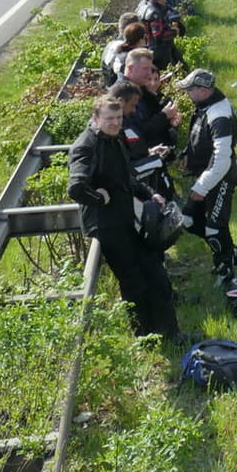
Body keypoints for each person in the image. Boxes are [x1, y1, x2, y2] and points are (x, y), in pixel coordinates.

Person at [66, 95, 178, 339]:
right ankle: (145, 338)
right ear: (95, 118)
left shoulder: (114, 138)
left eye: (118, 118)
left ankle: (170, 334)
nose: (116, 122)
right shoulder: (86, 146)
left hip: (127, 219)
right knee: (133, 282)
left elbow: (126, 177)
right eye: (109, 118)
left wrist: (150, 194)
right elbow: (76, 187)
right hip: (107, 226)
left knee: (155, 273)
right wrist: (99, 198)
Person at [177, 69, 237, 279]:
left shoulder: (219, 115)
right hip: (206, 175)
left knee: (215, 228)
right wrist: (187, 153)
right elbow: (199, 134)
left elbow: (222, 158)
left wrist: (202, 186)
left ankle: (225, 269)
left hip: (220, 177)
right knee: (188, 219)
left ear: (204, 90)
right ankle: (230, 251)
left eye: (190, 89)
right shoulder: (204, 106)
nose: (187, 92)